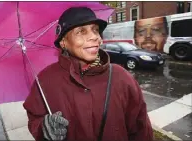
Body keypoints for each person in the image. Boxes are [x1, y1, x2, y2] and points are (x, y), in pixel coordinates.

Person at [23, 7, 153, 141]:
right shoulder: (45, 80)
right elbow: (35, 118)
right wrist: (43, 128)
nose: (94, 37)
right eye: (81, 31)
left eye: (95, 30)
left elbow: (141, 129)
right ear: (63, 42)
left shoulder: (122, 78)